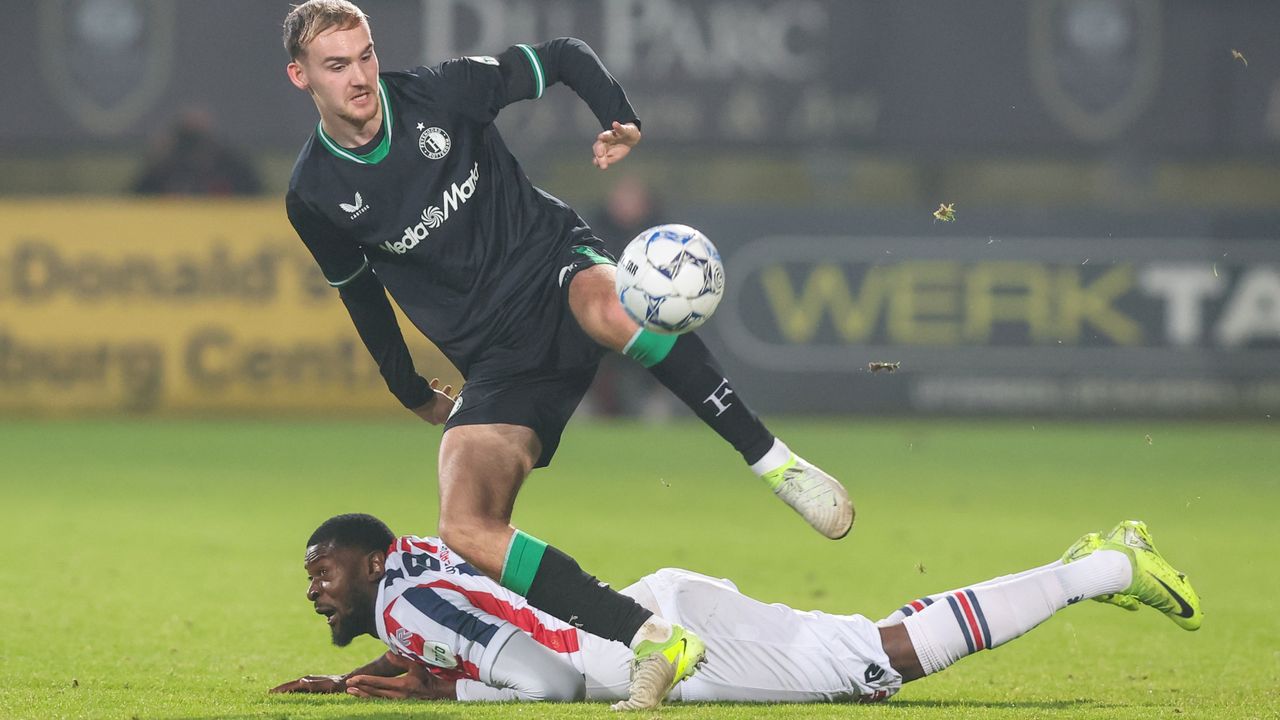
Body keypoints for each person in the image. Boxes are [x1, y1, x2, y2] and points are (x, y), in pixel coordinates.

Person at [280, 1, 851, 707]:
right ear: (301, 76)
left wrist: (621, 117)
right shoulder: (313, 193)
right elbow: (360, 296)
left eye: (365, 55)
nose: (361, 76)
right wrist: (410, 391)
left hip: (557, 268)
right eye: (338, 66)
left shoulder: (440, 92)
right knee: (464, 525)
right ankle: (652, 640)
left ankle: (776, 464)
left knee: (610, 304)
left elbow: (565, 55)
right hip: (499, 359)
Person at [271, 514, 1202, 706]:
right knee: (863, 654)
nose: (316, 587)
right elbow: (500, 629)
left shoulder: (400, 604)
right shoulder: (421, 562)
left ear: (371, 560)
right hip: (649, 611)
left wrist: (449, 697)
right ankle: (1091, 566)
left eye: (325, 569)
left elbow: (547, 679)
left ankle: (1102, 570)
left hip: (649, 649)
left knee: (867, 663)